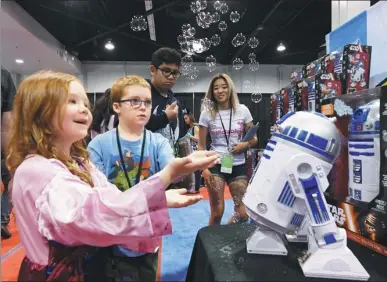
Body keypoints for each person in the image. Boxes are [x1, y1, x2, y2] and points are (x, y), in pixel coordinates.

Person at [6, 70, 218, 281]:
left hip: (97, 261)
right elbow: (94, 216)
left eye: (85, 104)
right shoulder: (37, 171)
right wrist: (165, 179)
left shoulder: (79, 161)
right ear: (39, 111)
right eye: (71, 101)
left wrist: (166, 184)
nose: (84, 110)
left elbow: (112, 198)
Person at [87, 75, 179, 281]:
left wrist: (188, 165)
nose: (143, 107)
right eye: (134, 101)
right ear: (117, 106)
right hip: (112, 233)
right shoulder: (99, 145)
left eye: (147, 102)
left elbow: (171, 168)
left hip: (148, 233)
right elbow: (96, 193)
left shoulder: (158, 142)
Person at [198, 73, 258, 225]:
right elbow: (201, 146)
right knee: (217, 212)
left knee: (243, 214)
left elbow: (255, 138)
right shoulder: (206, 114)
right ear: (212, 91)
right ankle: (211, 244)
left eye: (224, 87)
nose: (220, 91)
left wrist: (244, 145)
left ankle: (225, 231)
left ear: (230, 89)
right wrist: (203, 169)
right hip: (215, 164)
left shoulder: (242, 110)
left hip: (238, 165)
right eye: (216, 88)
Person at [145, 47, 186, 155]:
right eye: (166, 71)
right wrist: (165, 118)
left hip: (169, 164)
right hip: (142, 164)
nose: (171, 77)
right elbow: (131, 126)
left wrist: (190, 168)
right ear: (153, 70)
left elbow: (182, 139)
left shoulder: (174, 102)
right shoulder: (140, 94)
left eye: (175, 73)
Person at [1, 67, 16, 239]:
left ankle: (3, 220)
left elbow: (7, 126)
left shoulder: (4, 76)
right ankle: (3, 219)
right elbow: (6, 126)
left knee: (10, 182)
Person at [184, 112, 201, 192]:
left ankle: (197, 187)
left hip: (195, 150)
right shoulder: (189, 128)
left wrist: (190, 136)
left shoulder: (195, 127)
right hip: (190, 150)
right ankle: (193, 186)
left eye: (186, 118)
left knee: (196, 169)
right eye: (184, 119)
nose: (185, 120)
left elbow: (198, 139)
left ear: (190, 118)